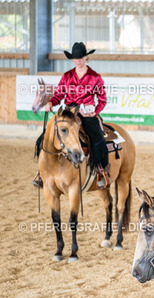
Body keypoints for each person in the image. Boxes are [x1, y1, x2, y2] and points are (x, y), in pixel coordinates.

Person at [38, 42, 109, 189]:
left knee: (98, 138)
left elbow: (102, 99)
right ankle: (41, 172)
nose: (78, 60)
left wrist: (94, 112)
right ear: (73, 59)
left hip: (86, 114)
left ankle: (101, 171)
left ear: (86, 57)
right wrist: (51, 102)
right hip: (69, 112)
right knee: (45, 137)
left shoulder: (95, 77)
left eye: (81, 57)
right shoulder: (67, 76)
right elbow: (58, 95)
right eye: (76, 58)